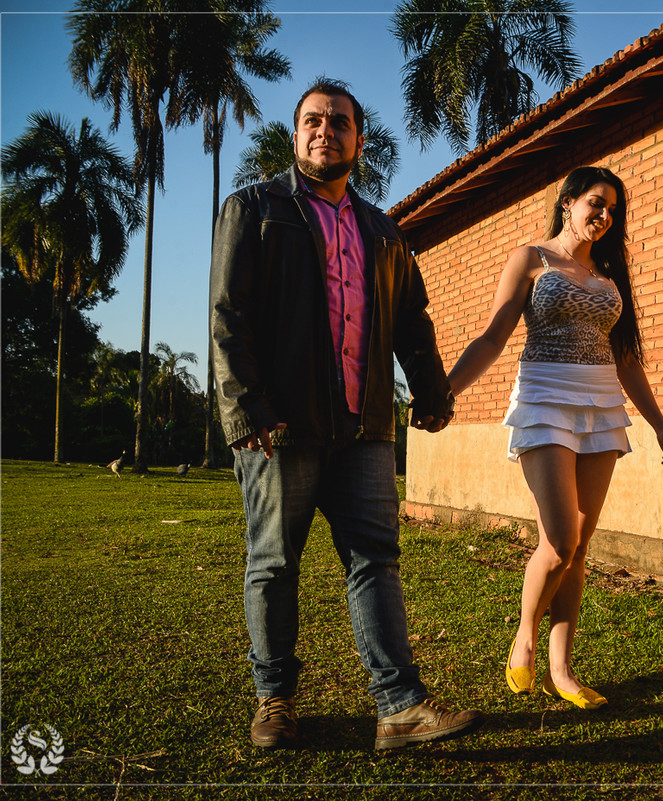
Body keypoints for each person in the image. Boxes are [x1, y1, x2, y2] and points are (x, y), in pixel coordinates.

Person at [210, 77, 483, 749]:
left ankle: (399, 706)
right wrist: (246, 410)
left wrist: (432, 389)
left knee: (375, 561)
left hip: (364, 430)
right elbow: (227, 319)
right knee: (273, 562)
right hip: (280, 429)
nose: (324, 130)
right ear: (294, 134)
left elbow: (411, 323)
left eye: (338, 122)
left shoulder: (382, 231)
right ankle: (274, 700)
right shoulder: (255, 209)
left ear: (359, 140)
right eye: (312, 121)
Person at [447, 166, 663, 709]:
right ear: (568, 202)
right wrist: (447, 390)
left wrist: (661, 425)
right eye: (596, 203)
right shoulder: (531, 259)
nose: (603, 216)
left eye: (612, 210)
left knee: (580, 548)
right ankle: (524, 636)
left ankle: (562, 669)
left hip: (601, 408)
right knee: (560, 541)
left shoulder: (609, 277)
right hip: (544, 400)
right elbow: (492, 336)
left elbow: (627, 359)